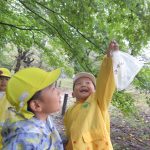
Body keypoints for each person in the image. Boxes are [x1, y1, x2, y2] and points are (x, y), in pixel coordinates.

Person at [64, 41, 143, 150]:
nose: (83, 85)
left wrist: (109, 59)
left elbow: (105, 82)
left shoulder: (98, 100)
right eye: (78, 84)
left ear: (96, 90)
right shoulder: (69, 110)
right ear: (73, 94)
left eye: (88, 83)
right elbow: (69, 130)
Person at [1, 67, 64, 150]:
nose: (58, 91)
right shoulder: (25, 138)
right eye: (52, 88)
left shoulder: (44, 118)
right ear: (36, 105)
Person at [0, 68, 11, 149]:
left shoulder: (12, 96)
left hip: (4, 134)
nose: (3, 81)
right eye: (0, 78)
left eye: (7, 79)